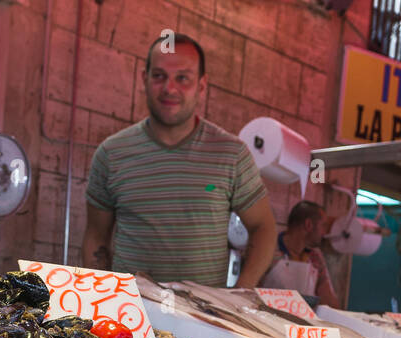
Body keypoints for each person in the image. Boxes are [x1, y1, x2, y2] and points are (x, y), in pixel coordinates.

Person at [81, 34, 276, 287]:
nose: (169, 88)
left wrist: (240, 294)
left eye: (182, 78)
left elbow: (264, 227)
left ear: (202, 85)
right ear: (144, 79)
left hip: (203, 319)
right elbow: (96, 235)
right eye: (159, 76)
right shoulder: (111, 153)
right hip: (131, 317)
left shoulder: (232, 154)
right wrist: (102, 297)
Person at [259, 201, 341, 308]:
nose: (324, 233)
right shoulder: (269, 248)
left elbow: (328, 298)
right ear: (308, 225)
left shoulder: (315, 257)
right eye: (323, 225)